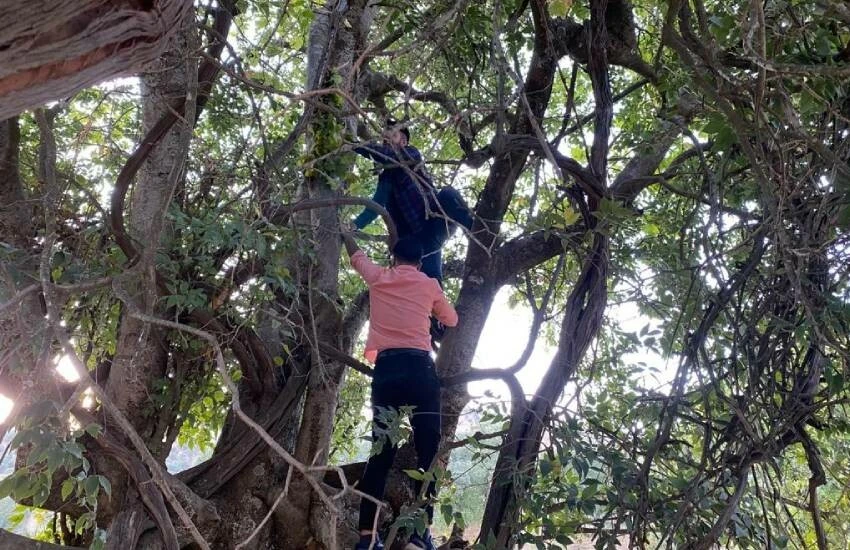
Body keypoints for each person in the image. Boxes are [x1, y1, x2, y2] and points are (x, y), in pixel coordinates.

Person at [341, 228, 458, 550]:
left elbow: (356, 258)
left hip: (388, 371)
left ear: (394, 258)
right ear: (420, 263)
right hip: (421, 371)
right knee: (428, 452)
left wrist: (346, 232)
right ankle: (420, 534)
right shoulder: (429, 284)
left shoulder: (379, 277)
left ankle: (367, 536)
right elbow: (452, 319)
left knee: (381, 453)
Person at [351, 120, 473, 287]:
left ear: (404, 141)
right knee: (430, 282)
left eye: (392, 136)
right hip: (417, 239)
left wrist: (354, 144)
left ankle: (476, 230)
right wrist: (354, 225)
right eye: (384, 140)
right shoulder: (386, 176)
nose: (386, 142)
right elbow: (376, 205)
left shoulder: (411, 154)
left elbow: (391, 156)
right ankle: (433, 312)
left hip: (435, 222)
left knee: (448, 193)